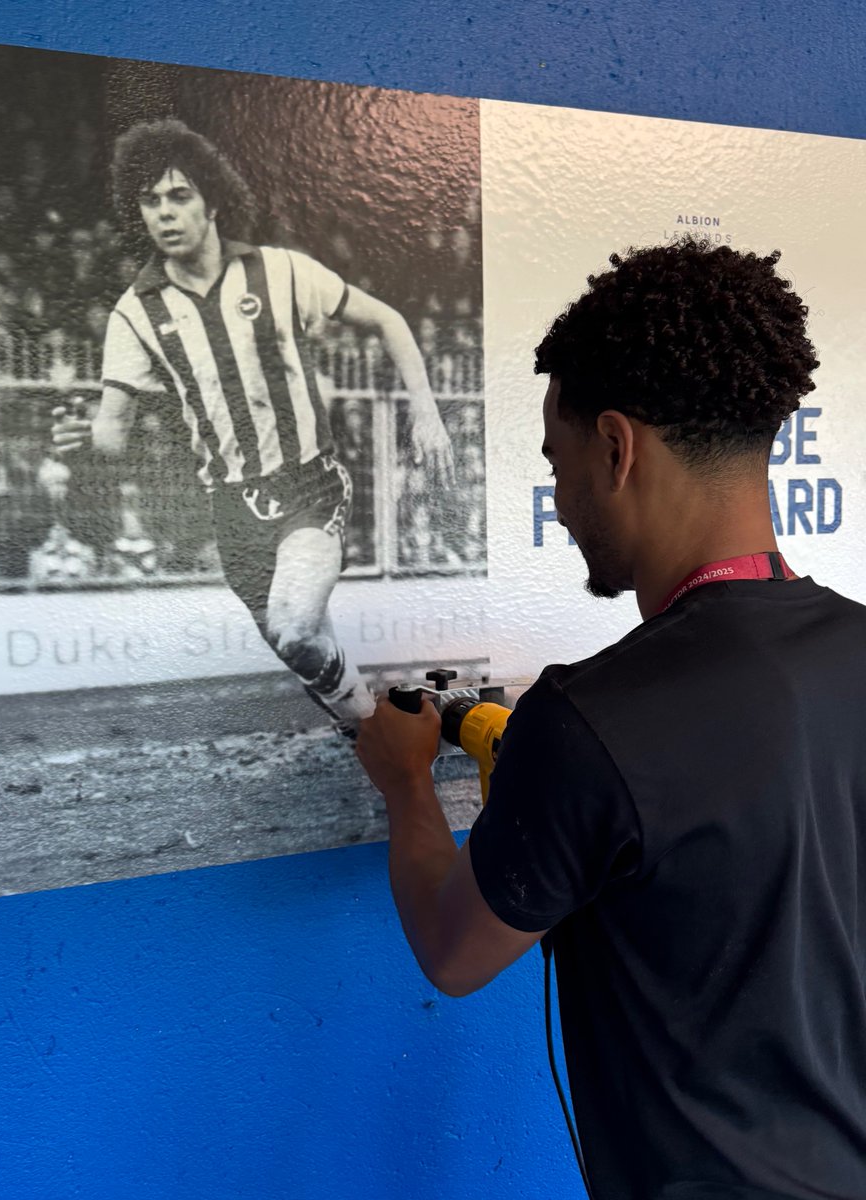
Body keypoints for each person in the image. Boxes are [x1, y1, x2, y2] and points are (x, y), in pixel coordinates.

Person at [356, 237, 866, 1198]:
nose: (563, 496)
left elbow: (452, 949)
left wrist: (406, 783)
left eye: (560, 460)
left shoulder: (590, 721)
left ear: (617, 447)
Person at [52, 119, 454, 732]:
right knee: (306, 650)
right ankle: (369, 730)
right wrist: (84, 437)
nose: (165, 213)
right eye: (150, 200)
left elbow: (389, 321)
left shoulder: (281, 272)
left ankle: (377, 736)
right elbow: (112, 433)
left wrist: (425, 411)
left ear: (212, 201)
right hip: (232, 513)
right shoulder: (134, 314)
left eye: (179, 196)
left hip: (308, 489)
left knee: (291, 629)